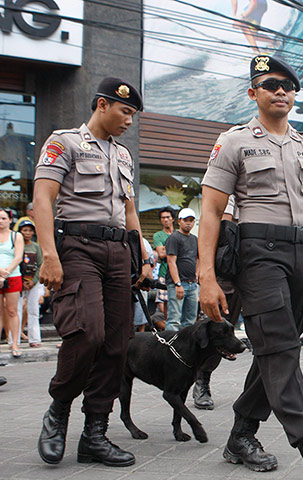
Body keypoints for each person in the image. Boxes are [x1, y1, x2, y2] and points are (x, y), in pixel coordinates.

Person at [197, 56, 303, 479]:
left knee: (276, 348)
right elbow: (213, 212)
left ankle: (241, 434)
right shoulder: (234, 142)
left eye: (289, 85)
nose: (282, 91)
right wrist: (206, 276)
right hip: (256, 255)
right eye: (271, 84)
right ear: (254, 93)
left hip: (298, 257)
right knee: (282, 348)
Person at [35, 77, 152, 467]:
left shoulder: (123, 156)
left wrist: (142, 257)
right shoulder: (64, 142)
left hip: (118, 252)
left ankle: (95, 435)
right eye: (125, 112)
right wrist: (49, 254)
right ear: (103, 105)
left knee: (118, 345)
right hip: (77, 248)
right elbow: (43, 199)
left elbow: (130, 210)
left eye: (133, 114)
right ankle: (59, 408)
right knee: (87, 333)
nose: (129, 121)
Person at [165, 208, 199, 332]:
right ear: (179, 221)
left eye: (191, 220)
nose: (188, 223)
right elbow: (171, 261)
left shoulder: (195, 239)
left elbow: (198, 258)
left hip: (192, 283)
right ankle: (169, 349)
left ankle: (186, 348)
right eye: (185, 220)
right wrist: (177, 283)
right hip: (178, 284)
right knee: (174, 319)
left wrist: (197, 274)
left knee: (190, 320)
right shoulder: (174, 238)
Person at [16, 219, 44, 347]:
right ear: (20, 232)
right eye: (25, 230)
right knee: (16, 310)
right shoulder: (16, 245)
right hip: (18, 281)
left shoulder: (36, 247)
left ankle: (34, 339)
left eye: (30, 230)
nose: (27, 233)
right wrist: (20, 280)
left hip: (33, 282)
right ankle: (15, 340)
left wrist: (33, 281)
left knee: (33, 310)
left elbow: (40, 264)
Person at [0, 210, 24, 356]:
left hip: (13, 276)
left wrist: (6, 272)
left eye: (3, 218)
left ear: (10, 220)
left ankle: (15, 343)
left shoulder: (16, 236)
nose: (0, 221)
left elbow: (18, 257)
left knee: (12, 310)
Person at [153, 208, 175, 317]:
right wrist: (177, 250)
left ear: (173, 219)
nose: (166, 220)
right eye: (163, 218)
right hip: (164, 273)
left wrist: (167, 249)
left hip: (181, 273)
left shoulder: (178, 234)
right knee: (167, 306)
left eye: (168, 217)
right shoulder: (158, 235)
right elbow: (161, 254)